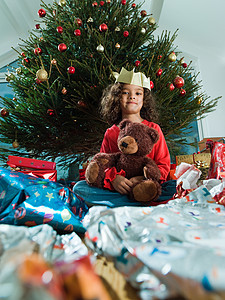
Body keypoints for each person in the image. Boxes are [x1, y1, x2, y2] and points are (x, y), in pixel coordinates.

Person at [73, 68, 176, 207]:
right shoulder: (111, 133)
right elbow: (102, 163)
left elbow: (163, 166)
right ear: (117, 98)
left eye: (138, 93)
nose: (132, 96)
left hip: (146, 185)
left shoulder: (154, 129)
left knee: (173, 186)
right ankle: (136, 203)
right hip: (119, 190)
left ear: (144, 99)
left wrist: (142, 178)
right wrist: (114, 179)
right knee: (79, 188)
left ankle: (131, 201)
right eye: (126, 92)